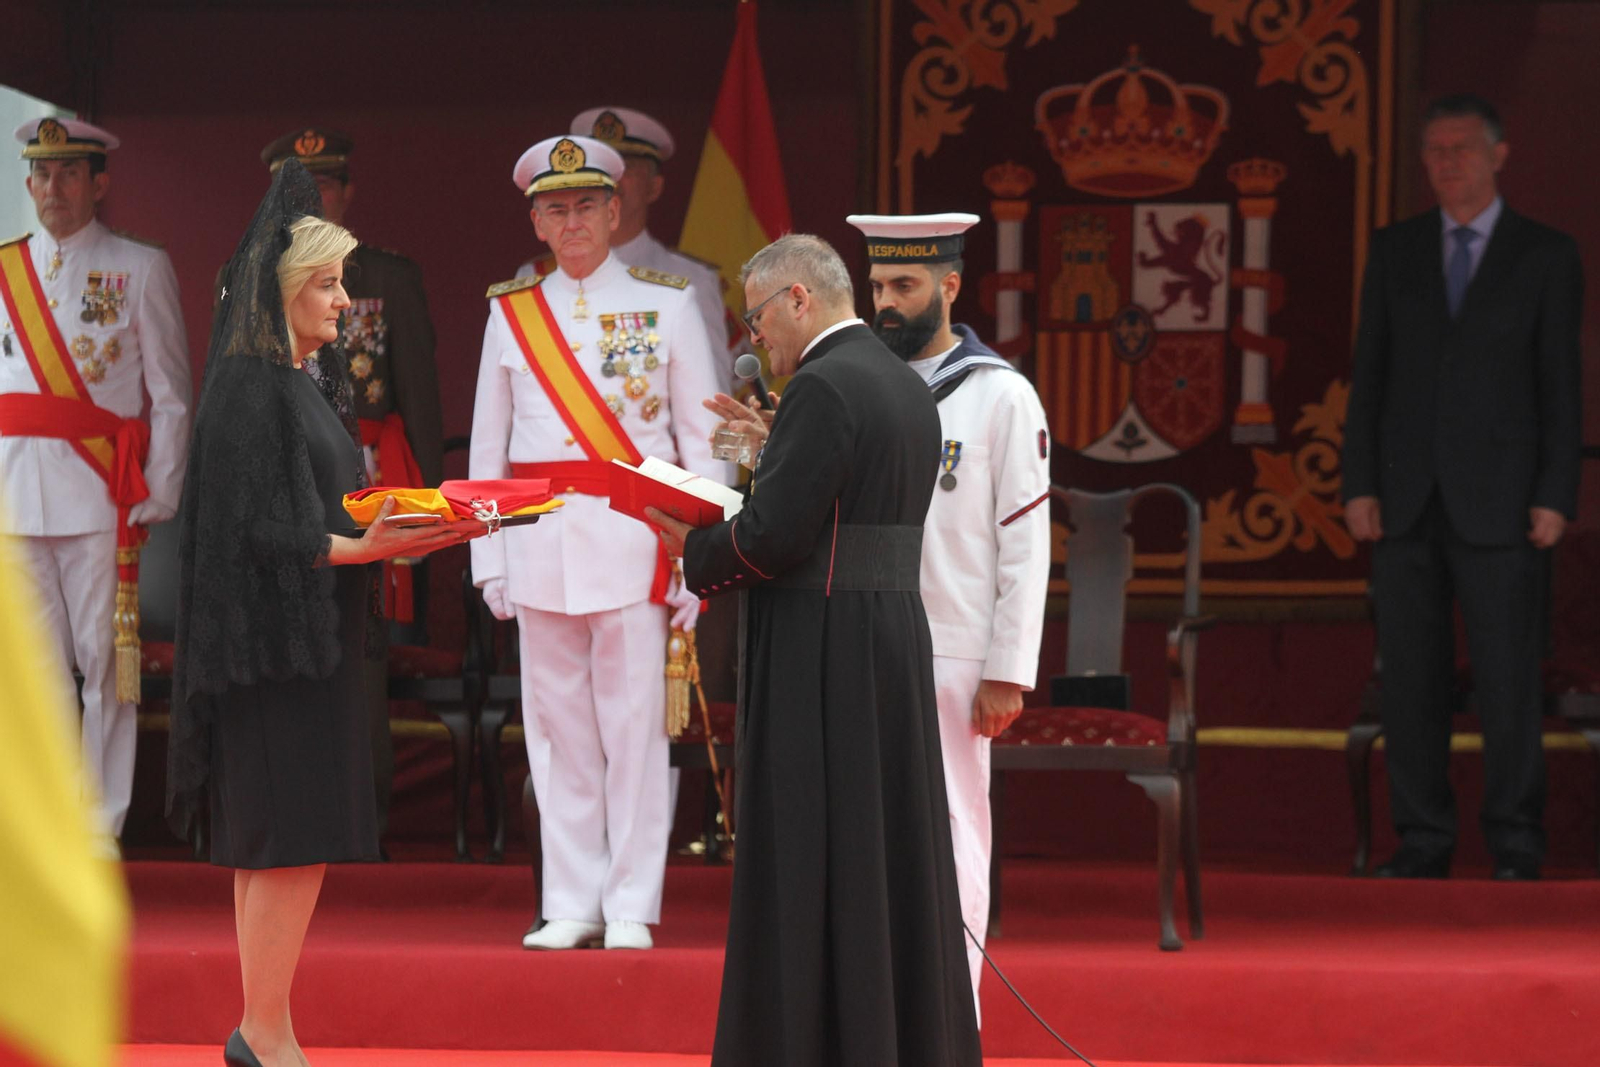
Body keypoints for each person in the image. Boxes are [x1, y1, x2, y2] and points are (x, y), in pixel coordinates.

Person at [166, 161, 479, 1067]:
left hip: (310, 641)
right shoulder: (247, 384)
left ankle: (268, 1027)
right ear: (285, 291)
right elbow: (254, 529)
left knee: (282, 844)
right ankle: (265, 1033)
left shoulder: (294, 378)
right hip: (275, 654)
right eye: (330, 284)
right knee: (285, 842)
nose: (346, 302)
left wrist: (402, 525)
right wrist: (368, 548)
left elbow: (317, 505)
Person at [649, 234, 982, 1065]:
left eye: (758, 318)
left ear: (799, 298)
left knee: (815, 857)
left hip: (823, 651)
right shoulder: (901, 383)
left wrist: (686, 542)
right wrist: (772, 449)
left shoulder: (823, 386)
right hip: (889, 639)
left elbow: (770, 540)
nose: (755, 339)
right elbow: (848, 503)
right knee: (886, 852)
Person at [469, 134, 720, 951]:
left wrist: (698, 554)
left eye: (585, 206)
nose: (571, 222)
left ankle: (630, 905)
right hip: (539, 543)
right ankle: (572, 898)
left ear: (617, 211)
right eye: (554, 208)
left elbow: (700, 443)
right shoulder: (510, 314)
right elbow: (487, 453)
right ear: (536, 223)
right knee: (556, 732)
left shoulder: (670, 303)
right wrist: (488, 557)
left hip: (636, 546)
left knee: (635, 730)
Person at [1342, 94, 1584, 882]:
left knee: (1509, 679)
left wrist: (1556, 492)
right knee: (1410, 679)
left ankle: (1515, 841)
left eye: (1463, 149)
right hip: (1405, 499)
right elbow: (1369, 376)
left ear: (1499, 154)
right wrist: (1358, 484)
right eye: (1435, 151)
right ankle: (1422, 839)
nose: (1448, 163)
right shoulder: (1397, 248)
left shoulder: (1545, 254)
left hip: (1507, 502)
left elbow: (1561, 384)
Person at [849, 211, 1051, 1020]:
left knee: (955, 828)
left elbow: (1027, 543)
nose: (887, 304)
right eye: (877, 288)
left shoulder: (1001, 394)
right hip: (867, 639)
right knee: (876, 832)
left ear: (951, 286)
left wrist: (1009, 667)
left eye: (905, 286)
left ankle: (952, 1013)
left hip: (956, 651)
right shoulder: (866, 388)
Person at [0, 117, 191, 851]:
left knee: (105, 666)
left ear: (98, 183)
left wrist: (162, 485)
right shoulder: (6, 267)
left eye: (70, 173)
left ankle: (97, 825)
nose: (54, 188)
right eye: (42, 175)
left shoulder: (139, 267)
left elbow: (171, 391)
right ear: (28, 184)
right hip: (17, 493)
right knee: (34, 671)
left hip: (96, 496)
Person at [260, 126, 445, 843]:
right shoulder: (243, 278)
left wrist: (427, 505)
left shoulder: (386, 277)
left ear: (347, 193)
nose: (310, 199)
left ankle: (358, 822)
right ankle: (285, 819)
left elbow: (422, 403)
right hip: (274, 483)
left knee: (358, 653)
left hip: (361, 484)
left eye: (325, 184)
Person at [515, 107, 736, 390]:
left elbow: (709, 394)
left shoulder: (691, 281)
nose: (611, 180)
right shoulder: (535, 276)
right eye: (598, 171)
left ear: (654, 187)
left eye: (626, 169)